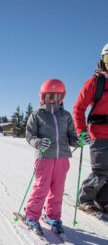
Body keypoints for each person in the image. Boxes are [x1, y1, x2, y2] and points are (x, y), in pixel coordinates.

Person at [24, 79, 80, 234]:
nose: (52, 99)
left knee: (58, 189)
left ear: (61, 98)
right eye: (49, 96)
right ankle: (31, 216)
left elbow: (72, 138)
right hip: (44, 158)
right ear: (42, 96)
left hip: (62, 158)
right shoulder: (37, 115)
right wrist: (38, 142)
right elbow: (29, 135)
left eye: (56, 96)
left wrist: (80, 141)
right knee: (41, 188)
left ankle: (53, 216)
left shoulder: (66, 116)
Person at [73, 43, 108, 214]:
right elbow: (78, 108)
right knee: (100, 170)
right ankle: (84, 199)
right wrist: (81, 131)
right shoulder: (95, 82)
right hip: (99, 134)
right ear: (102, 61)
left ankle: (103, 200)